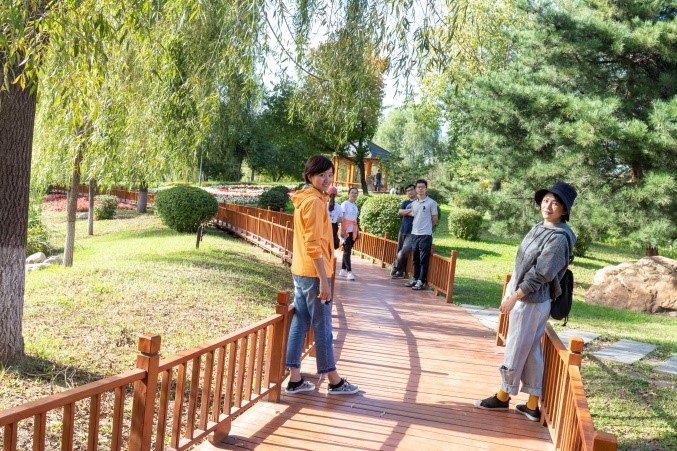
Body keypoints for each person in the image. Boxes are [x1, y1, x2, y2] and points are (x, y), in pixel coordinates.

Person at [474, 181, 577, 422]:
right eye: (546, 200)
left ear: (564, 209)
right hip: (524, 297)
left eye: (555, 203)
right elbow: (521, 262)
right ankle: (532, 404)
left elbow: (541, 273)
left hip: (531, 301)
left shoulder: (560, 238)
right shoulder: (540, 227)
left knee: (515, 347)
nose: (548, 206)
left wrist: (515, 296)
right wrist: (510, 290)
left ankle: (503, 395)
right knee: (530, 351)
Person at [285, 155, 359, 395]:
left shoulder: (307, 198)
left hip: (301, 271)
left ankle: (295, 379)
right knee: (323, 327)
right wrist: (324, 281)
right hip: (314, 274)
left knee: (300, 322)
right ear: (310, 176)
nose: (327, 179)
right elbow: (313, 244)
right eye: (321, 175)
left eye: (330, 175)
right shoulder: (315, 203)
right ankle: (334, 381)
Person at [402, 179, 438, 290]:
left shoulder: (431, 203)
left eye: (423, 187)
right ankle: (416, 278)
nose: (420, 189)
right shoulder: (414, 204)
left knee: (423, 259)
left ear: (426, 189)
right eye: (418, 187)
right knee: (415, 259)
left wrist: (427, 228)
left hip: (425, 235)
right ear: (416, 189)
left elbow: (434, 219)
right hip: (414, 234)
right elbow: (414, 216)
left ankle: (421, 281)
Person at [390, 184, 417, 279]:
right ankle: (400, 272)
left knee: (404, 251)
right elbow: (400, 212)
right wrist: (410, 211)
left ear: (415, 190)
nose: (410, 192)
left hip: (412, 232)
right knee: (399, 251)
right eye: (408, 191)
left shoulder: (419, 202)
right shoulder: (405, 202)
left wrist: (406, 212)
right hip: (402, 230)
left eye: (411, 190)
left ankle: (395, 266)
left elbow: (415, 213)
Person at [338, 187, 359, 281]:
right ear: (348, 194)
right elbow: (341, 218)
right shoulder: (345, 204)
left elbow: (355, 220)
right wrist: (342, 231)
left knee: (348, 250)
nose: (354, 194)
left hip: (353, 231)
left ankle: (343, 270)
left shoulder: (355, 206)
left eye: (356, 193)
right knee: (347, 251)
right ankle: (349, 272)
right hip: (345, 230)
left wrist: (357, 231)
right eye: (352, 192)